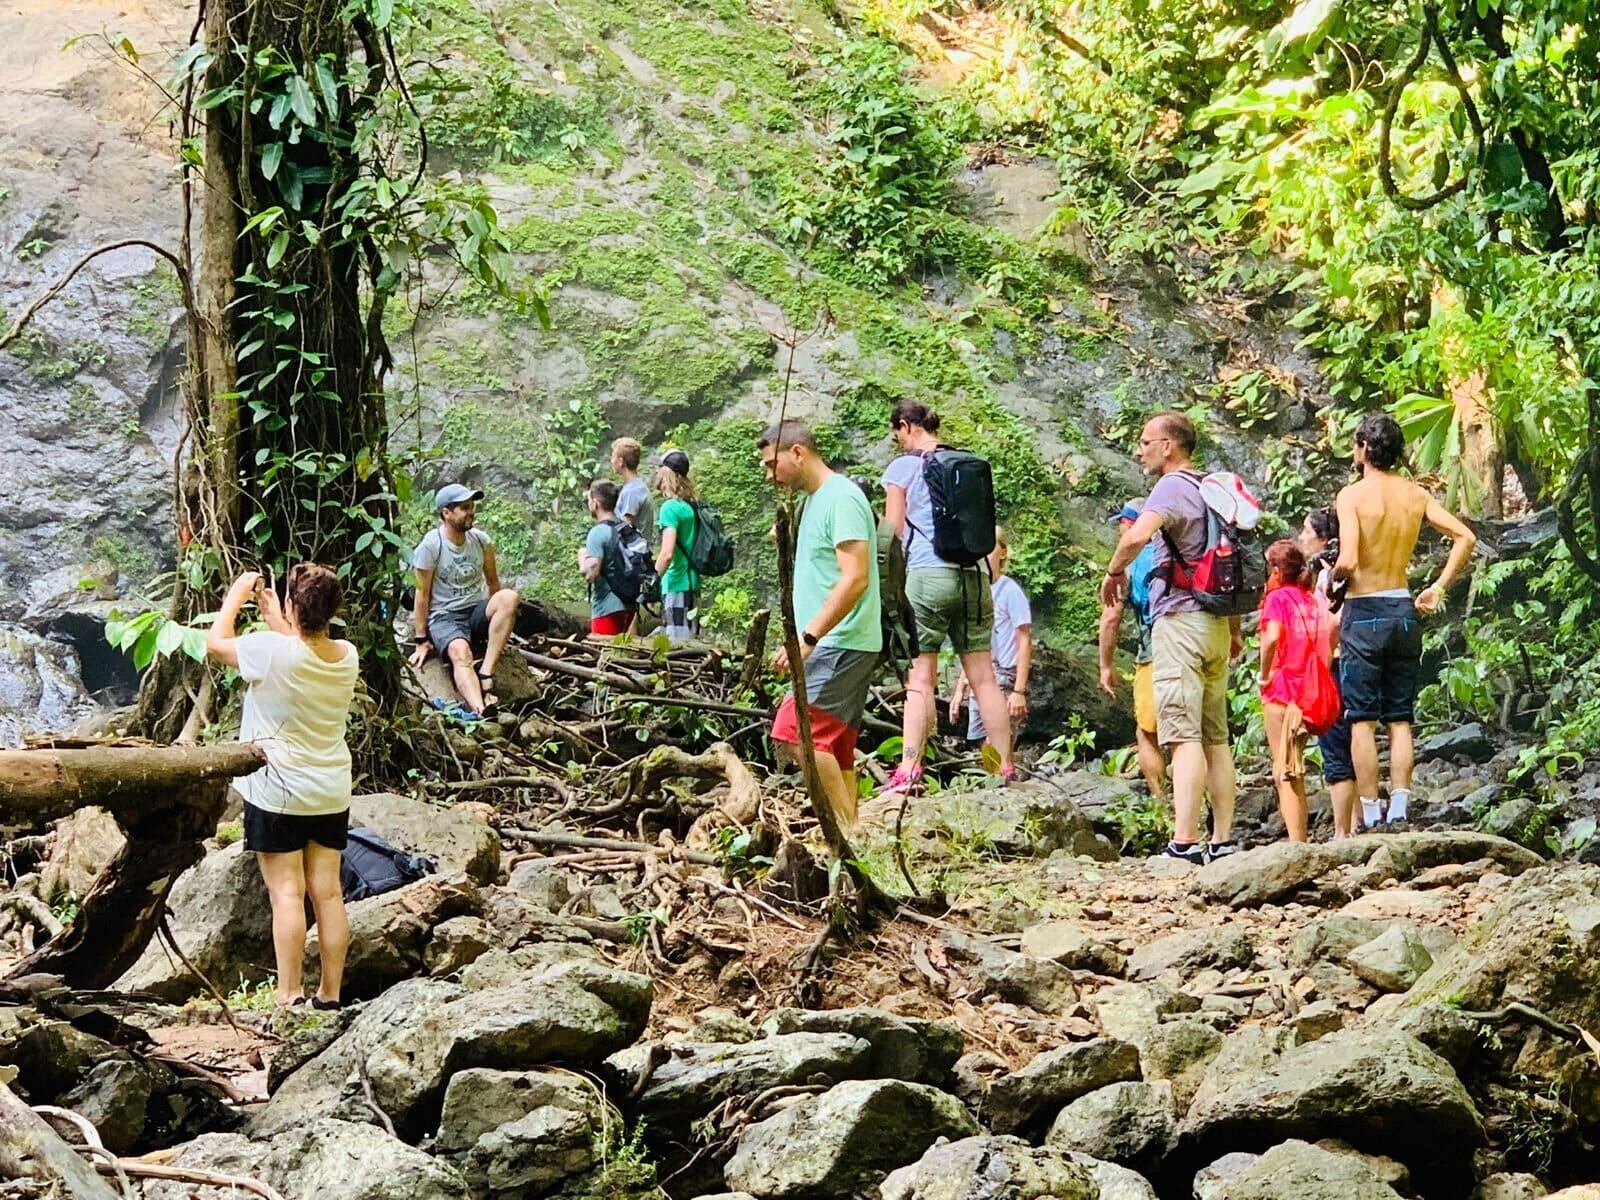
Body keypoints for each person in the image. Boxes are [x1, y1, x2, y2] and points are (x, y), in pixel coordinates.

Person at [206, 564, 357, 1010]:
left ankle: (289, 996)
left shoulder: (269, 650)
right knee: (327, 893)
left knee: (287, 893)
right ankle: (330, 995)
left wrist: (236, 594)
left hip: (277, 791)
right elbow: (303, 649)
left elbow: (216, 644)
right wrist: (282, 618)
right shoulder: (346, 655)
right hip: (329, 789)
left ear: (294, 607)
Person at [1101, 412, 1240, 864]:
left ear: (1169, 446)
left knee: (1183, 736)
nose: (1139, 450)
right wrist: (1235, 629)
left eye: (1146, 442)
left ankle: (1183, 843)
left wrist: (1114, 570)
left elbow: (1138, 535)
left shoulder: (1170, 487)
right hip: (1215, 623)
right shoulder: (1209, 488)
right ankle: (1221, 842)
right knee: (1215, 736)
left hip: (1180, 622)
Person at [1333, 412, 1477, 828]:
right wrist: (1438, 586)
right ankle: (1398, 807)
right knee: (1400, 717)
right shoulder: (1414, 495)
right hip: (1403, 609)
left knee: (1361, 718)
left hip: (1363, 612)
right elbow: (1466, 536)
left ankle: (1371, 811)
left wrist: (1332, 577)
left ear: (1362, 448)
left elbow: (1349, 559)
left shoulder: (1352, 496)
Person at [882, 401, 1016, 791]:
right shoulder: (969, 464)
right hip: (975, 577)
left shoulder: (903, 468)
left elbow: (892, 531)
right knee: (984, 678)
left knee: (921, 678)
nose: (897, 442)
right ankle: (1004, 767)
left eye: (897, 434)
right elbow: (987, 531)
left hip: (928, 575)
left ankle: (909, 770)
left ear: (906, 426)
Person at [760, 420, 882, 829]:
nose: (769, 474)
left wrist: (809, 637)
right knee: (838, 744)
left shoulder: (841, 498)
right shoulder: (814, 501)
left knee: (794, 731)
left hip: (841, 638)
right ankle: (856, 837)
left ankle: (845, 830)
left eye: (772, 463)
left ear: (798, 453)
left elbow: (856, 576)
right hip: (835, 638)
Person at [409, 484, 520, 717]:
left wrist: (498, 632)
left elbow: (493, 584)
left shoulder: (481, 541)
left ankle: (486, 672)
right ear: (446, 513)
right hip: (444, 616)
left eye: (472, 507)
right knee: (461, 652)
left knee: (509, 597)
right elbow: (422, 595)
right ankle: (480, 710)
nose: (471, 512)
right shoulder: (431, 546)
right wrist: (421, 639)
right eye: (464, 508)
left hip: (474, 610)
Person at [1259, 539, 1333, 843]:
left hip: (1282, 691)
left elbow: (1272, 637)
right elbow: (1328, 642)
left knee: (1284, 771)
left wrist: (1264, 675)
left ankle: (1295, 845)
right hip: (1309, 695)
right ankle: (1300, 840)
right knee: (1296, 768)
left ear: (1276, 570)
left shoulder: (1277, 599)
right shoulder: (1311, 600)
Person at [1097, 500, 1167, 799]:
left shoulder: (1130, 563)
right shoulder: (1178, 551)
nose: (1120, 531)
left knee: (1147, 732)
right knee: (1193, 733)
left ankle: (1165, 805)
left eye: (1123, 524)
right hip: (1192, 642)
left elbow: (1111, 617)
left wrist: (1105, 665)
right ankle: (1202, 806)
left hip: (1154, 649)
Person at [1298, 507, 1357, 836]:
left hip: (1334, 662)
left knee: (1335, 746)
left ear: (1323, 538)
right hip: (1354, 658)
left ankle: (1340, 833)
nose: (1302, 536)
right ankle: (1360, 822)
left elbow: (1333, 621)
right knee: (1351, 740)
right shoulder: (1345, 566)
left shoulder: (1328, 573)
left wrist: (1318, 666)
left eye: (1307, 530)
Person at [950, 526, 1032, 750]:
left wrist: (1019, 691)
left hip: (1005, 677)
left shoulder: (1010, 591)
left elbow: (1024, 640)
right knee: (976, 745)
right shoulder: (976, 591)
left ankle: (1004, 781)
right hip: (981, 675)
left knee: (997, 744)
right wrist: (959, 691)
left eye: (989, 548)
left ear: (1003, 553)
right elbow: (974, 645)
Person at [653, 451, 700, 644]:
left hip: (676, 583)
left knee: (677, 645)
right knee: (691, 641)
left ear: (667, 473)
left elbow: (667, 553)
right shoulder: (690, 505)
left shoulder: (670, 508)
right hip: (693, 582)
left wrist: (652, 580)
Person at [579, 479, 636, 637]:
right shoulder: (627, 529)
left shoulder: (598, 532)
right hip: (629, 606)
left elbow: (591, 573)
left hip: (606, 608)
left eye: (589, 499)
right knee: (621, 655)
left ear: (595, 503)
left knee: (604, 656)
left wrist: (582, 558)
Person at [612, 437, 653, 540]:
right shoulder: (636, 487)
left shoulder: (632, 491)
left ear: (621, 461)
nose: (611, 461)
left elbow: (625, 527)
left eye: (613, 456)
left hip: (633, 554)